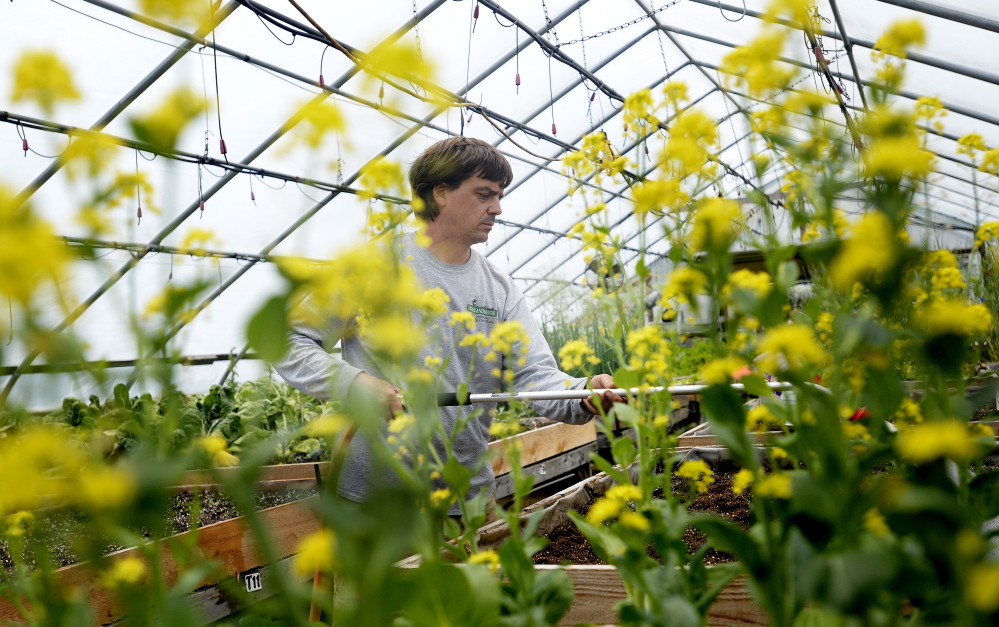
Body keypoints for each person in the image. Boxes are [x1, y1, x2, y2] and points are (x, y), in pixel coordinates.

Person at [274, 137, 624, 512]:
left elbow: (536, 377)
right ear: (441, 193)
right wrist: (356, 384)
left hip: (468, 503)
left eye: (499, 196)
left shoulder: (499, 288)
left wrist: (584, 393)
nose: (498, 208)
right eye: (484, 195)